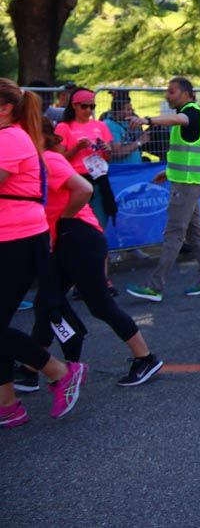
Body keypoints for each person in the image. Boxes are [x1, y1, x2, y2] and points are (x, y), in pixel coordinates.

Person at [23, 123, 162, 389]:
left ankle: (146, 358)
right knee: (46, 303)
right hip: (66, 240)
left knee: (99, 305)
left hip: (79, 238)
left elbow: (84, 190)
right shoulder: (42, 160)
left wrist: (64, 220)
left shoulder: (49, 159)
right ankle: (31, 369)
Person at [0, 81, 88, 427]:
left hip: (18, 239)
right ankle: (8, 404)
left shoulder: (11, 138)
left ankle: (58, 371)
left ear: (5, 107)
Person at [125, 77, 200, 302]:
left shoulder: (191, 111)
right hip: (188, 181)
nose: (167, 95)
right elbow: (186, 151)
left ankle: (155, 286)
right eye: (167, 92)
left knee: (174, 233)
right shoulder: (191, 112)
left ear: (187, 94)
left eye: (172, 91)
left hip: (187, 184)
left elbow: (178, 119)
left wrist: (148, 119)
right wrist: (168, 172)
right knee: (194, 231)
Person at [55, 88, 117, 228]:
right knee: (79, 221)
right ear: (74, 105)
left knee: (101, 219)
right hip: (76, 180)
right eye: (84, 106)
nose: (89, 110)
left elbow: (107, 158)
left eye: (92, 106)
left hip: (99, 178)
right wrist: (77, 148)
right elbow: (59, 159)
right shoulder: (64, 127)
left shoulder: (101, 126)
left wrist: (107, 151)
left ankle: (99, 246)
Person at [103, 93, 148, 164]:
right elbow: (117, 153)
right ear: (118, 111)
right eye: (128, 109)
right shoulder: (110, 125)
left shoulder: (126, 122)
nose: (131, 112)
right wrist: (139, 142)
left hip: (134, 169)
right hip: (123, 171)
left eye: (131, 109)